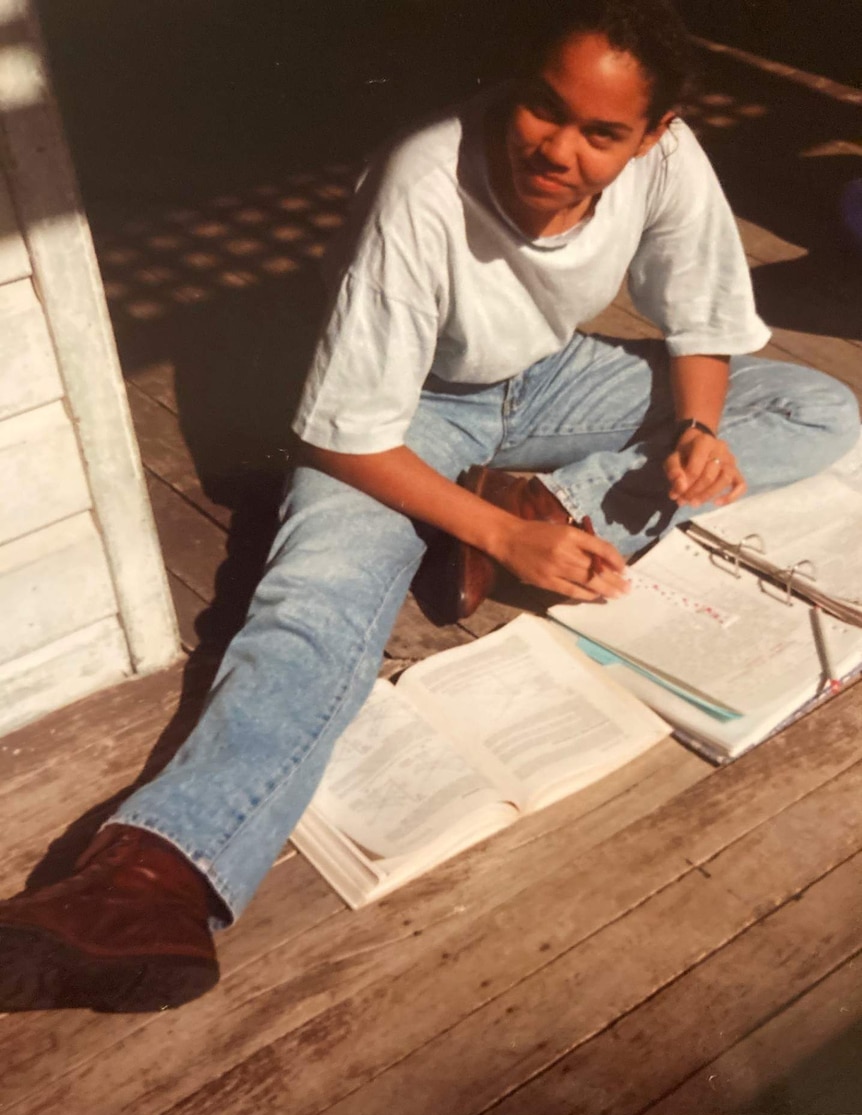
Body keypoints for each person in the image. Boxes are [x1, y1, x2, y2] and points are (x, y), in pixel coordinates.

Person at [1, 0, 858, 1013]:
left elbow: (704, 313)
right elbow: (344, 431)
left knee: (807, 401)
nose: (558, 148)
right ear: (519, 86)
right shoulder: (420, 177)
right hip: (408, 409)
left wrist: (699, 430)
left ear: (652, 133)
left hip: (548, 379)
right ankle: (152, 876)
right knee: (317, 599)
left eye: (601, 134)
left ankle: (558, 500)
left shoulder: (671, 160)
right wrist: (497, 537)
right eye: (545, 108)